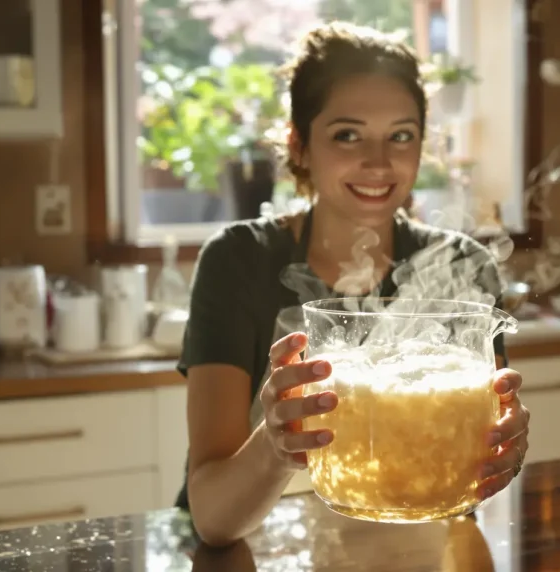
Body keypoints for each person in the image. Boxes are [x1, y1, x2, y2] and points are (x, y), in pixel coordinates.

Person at [176, 21, 530, 547]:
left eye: (401, 136)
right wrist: (276, 446)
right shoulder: (238, 261)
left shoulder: (462, 265)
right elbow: (212, 518)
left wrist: (498, 449)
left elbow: (462, 482)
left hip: (421, 548)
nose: (378, 162)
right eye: (347, 134)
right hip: (261, 549)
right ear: (299, 145)